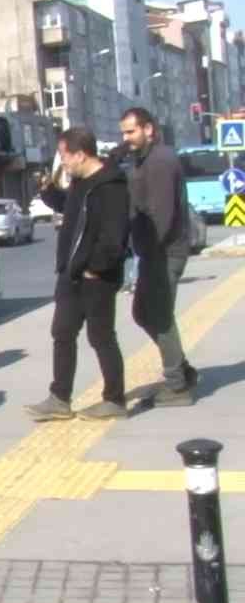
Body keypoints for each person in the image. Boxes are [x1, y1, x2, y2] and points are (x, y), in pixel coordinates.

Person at [26, 127, 131, 421]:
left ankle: (115, 400)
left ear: (81, 154)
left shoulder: (110, 185)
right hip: (71, 275)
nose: (63, 163)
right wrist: (48, 192)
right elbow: (71, 210)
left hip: (96, 277)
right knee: (62, 333)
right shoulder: (79, 183)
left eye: (64, 156)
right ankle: (59, 398)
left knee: (101, 337)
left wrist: (95, 268)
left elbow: (115, 236)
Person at [119, 107, 199, 405]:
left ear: (149, 129)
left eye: (131, 131)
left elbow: (162, 216)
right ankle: (182, 370)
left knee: (159, 314)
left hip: (165, 251)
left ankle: (177, 386)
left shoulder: (161, 161)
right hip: (151, 251)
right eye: (123, 132)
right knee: (143, 312)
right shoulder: (142, 160)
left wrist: (149, 252)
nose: (126, 138)